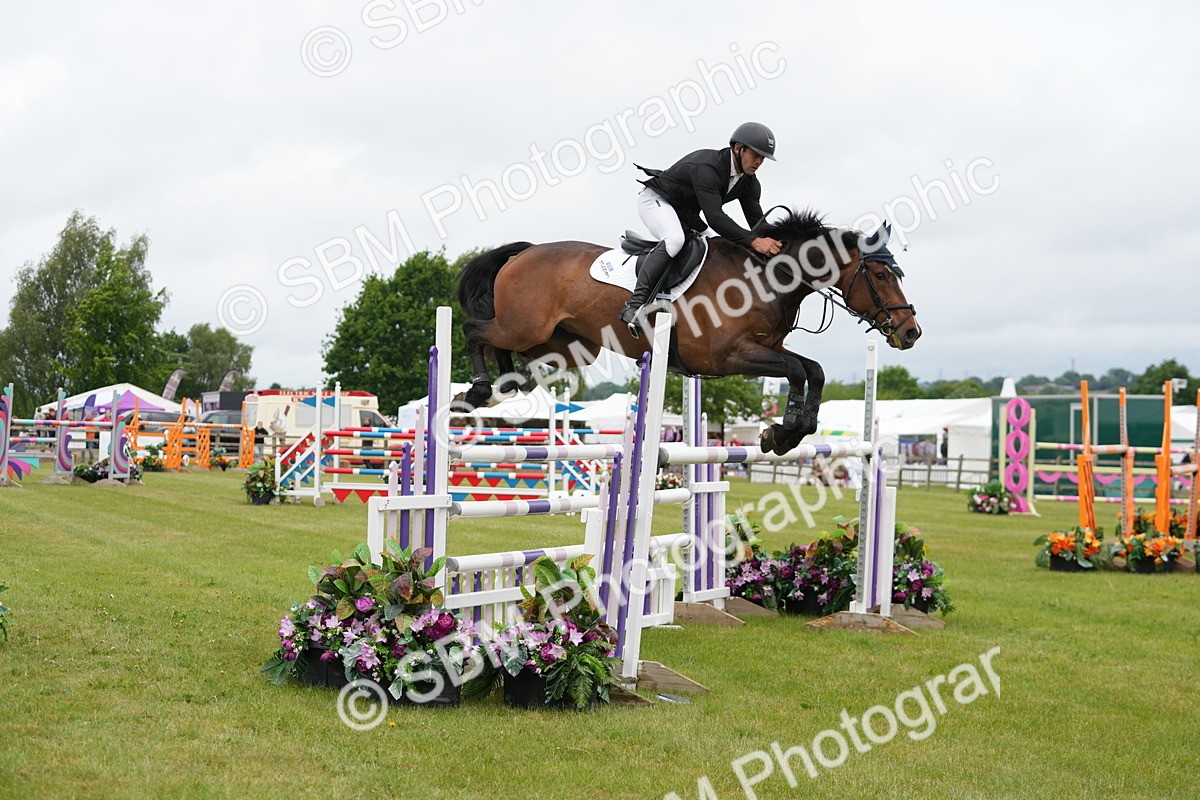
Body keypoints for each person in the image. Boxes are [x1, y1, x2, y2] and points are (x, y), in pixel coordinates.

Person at [620, 121, 785, 337]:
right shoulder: (708, 169)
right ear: (738, 148)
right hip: (656, 200)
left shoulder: (750, 183)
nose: (759, 162)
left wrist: (786, 239)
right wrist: (754, 242)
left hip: (685, 215)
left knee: (719, 246)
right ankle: (635, 305)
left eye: (763, 158)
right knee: (674, 240)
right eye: (756, 155)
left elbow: (758, 224)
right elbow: (715, 218)